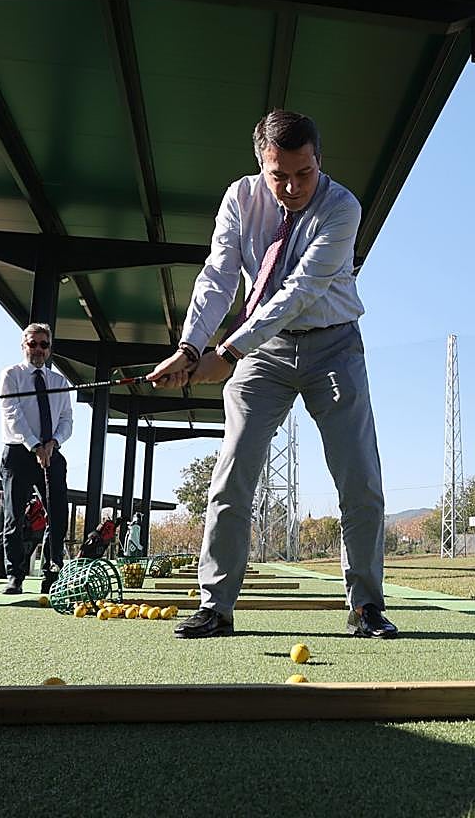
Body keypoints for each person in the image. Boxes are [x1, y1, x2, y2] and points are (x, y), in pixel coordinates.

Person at [147, 110, 397, 640]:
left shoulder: (342, 207)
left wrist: (227, 352)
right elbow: (218, 274)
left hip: (333, 345)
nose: (292, 187)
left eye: (304, 173)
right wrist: (191, 348)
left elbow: (301, 289)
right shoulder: (240, 198)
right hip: (263, 353)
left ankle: (366, 606)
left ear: (319, 160)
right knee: (232, 475)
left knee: (359, 478)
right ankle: (216, 606)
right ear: (261, 163)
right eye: (278, 175)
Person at [0, 322, 72, 595]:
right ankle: (15, 575)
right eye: (33, 343)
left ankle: (51, 573)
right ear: (23, 346)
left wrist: (53, 443)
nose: (38, 349)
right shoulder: (11, 375)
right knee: (15, 517)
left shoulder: (59, 382)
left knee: (58, 515)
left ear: (49, 349)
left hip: (51, 453)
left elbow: (66, 420)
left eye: (44, 344)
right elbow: (12, 414)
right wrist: (35, 445)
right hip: (19, 453)